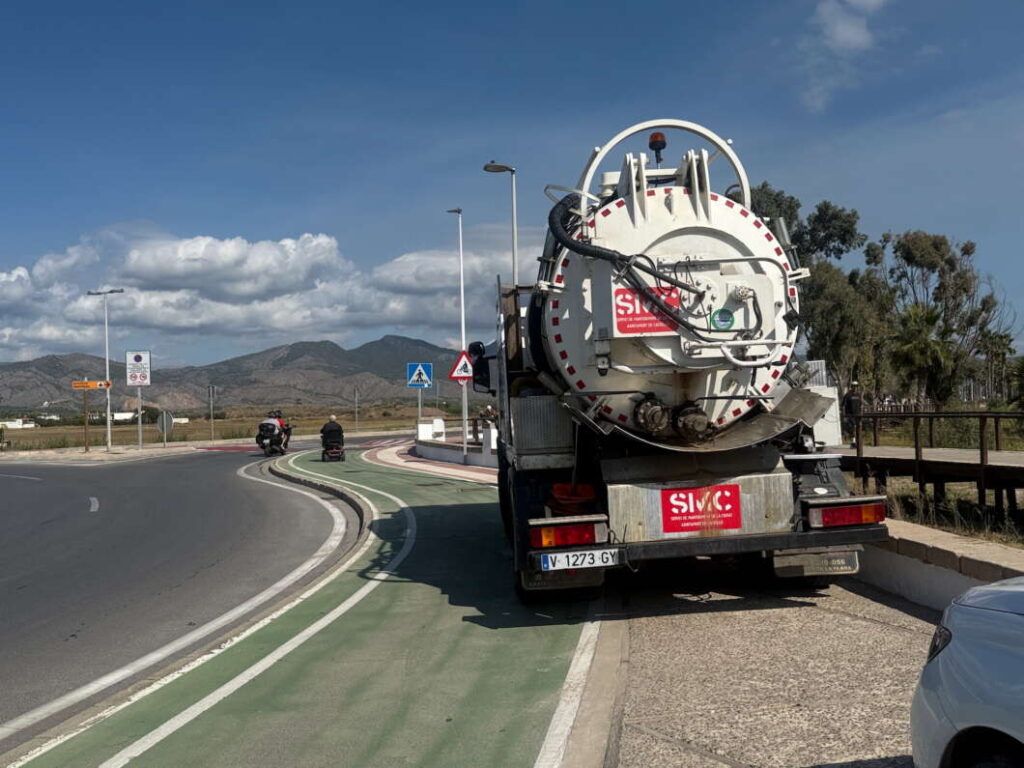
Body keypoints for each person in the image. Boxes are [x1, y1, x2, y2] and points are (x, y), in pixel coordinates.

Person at [842, 381, 863, 447]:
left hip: (858, 415)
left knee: (858, 428)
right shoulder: (848, 395)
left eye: (856, 386)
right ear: (852, 386)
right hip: (850, 415)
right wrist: (844, 416)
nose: (855, 387)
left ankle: (856, 442)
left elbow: (861, 404)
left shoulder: (859, 395)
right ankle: (853, 442)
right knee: (852, 428)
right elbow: (843, 406)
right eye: (854, 386)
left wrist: (861, 413)